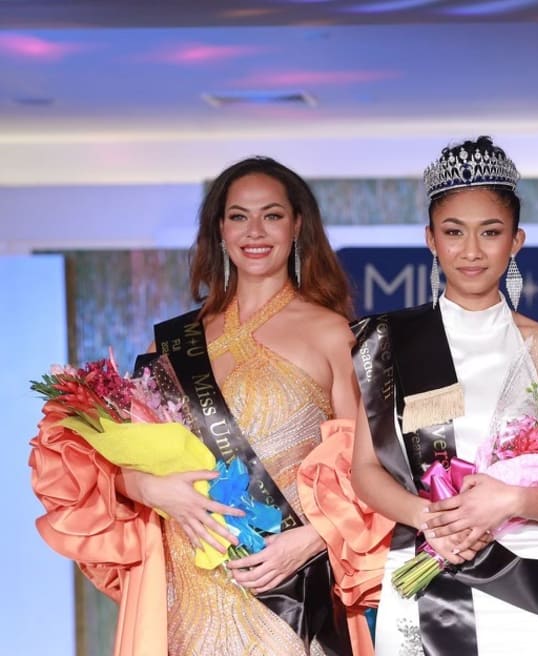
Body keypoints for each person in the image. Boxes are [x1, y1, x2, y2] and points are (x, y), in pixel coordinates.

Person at [30, 156, 360, 655]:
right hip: (186, 592)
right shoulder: (175, 343)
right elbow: (111, 469)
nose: (255, 230)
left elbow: (373, 467)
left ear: (297, 226)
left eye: (271, 215)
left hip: (287, 585)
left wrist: (311, 540)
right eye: (238, 216)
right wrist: (148, 487)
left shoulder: (332, 332)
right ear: (219, 230)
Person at [347, 136, 538, 655]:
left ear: (517, 241)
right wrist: (428, 518)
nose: (472, 251)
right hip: (421, 559)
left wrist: (511, 500)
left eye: (491, 232)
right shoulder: (389, 343)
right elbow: (365, 470)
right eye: (454, 232)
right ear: (431, 240)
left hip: (520, 571)